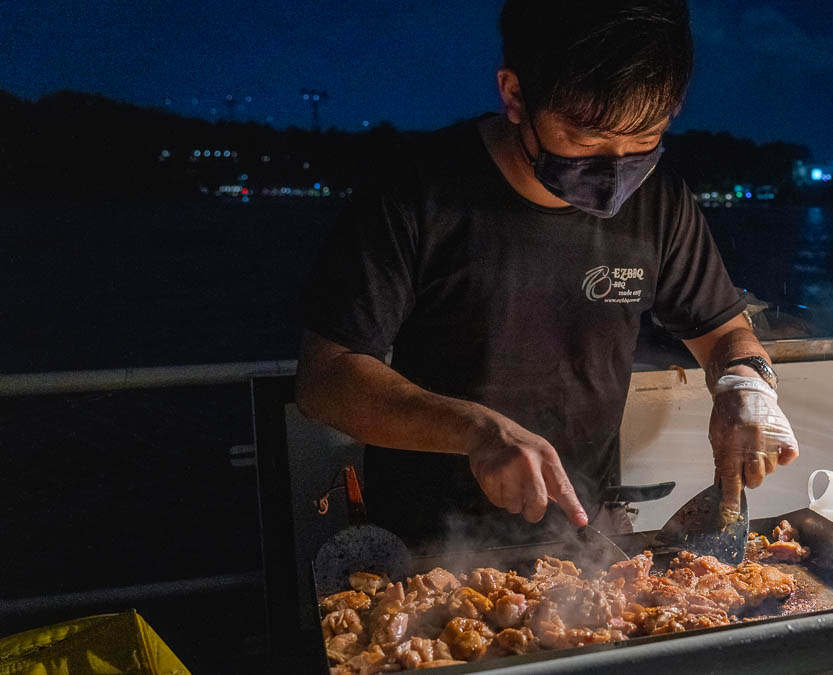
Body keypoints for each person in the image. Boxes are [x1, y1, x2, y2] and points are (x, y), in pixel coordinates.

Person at [295, 0, 798, 549]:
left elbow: (724, 331)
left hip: (587, 536)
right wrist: (478, 431)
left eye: (645, 139)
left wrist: (745, 385)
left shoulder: (661, 203)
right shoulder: (415, 191)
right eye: (585, 140)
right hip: (430, 546)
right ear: (514, 94)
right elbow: (327, 378)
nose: (615, 171)